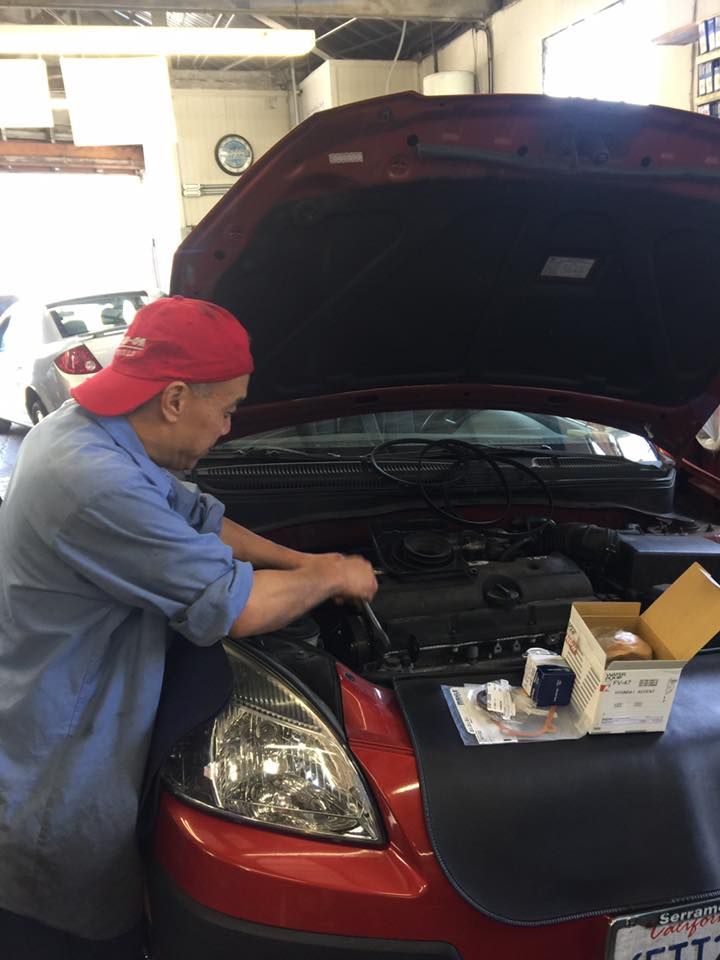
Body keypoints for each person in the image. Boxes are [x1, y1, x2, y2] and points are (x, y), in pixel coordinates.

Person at [0, 296, 377, 958]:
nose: (230, 427)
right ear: (174, 399)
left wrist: (306, 561)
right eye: (227, 409)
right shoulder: (94, 480)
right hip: (55, 770)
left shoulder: (92, 427)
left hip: (68, 714)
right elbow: (240, 609)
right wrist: (336, 577)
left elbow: (197, 519)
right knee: (81, 931)